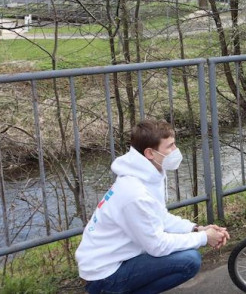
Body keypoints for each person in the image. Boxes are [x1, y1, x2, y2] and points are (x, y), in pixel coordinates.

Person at [75, 120, 230, 294]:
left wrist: (196, 229)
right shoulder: (135, 193)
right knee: (189, 260)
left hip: (117, 259)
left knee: (189, 256)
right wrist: (203, 238)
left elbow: (160, 216)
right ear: (150, 153)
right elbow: (157, 246)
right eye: (170, 146)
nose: (175, 151)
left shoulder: (149, 174)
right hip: (104, 274)